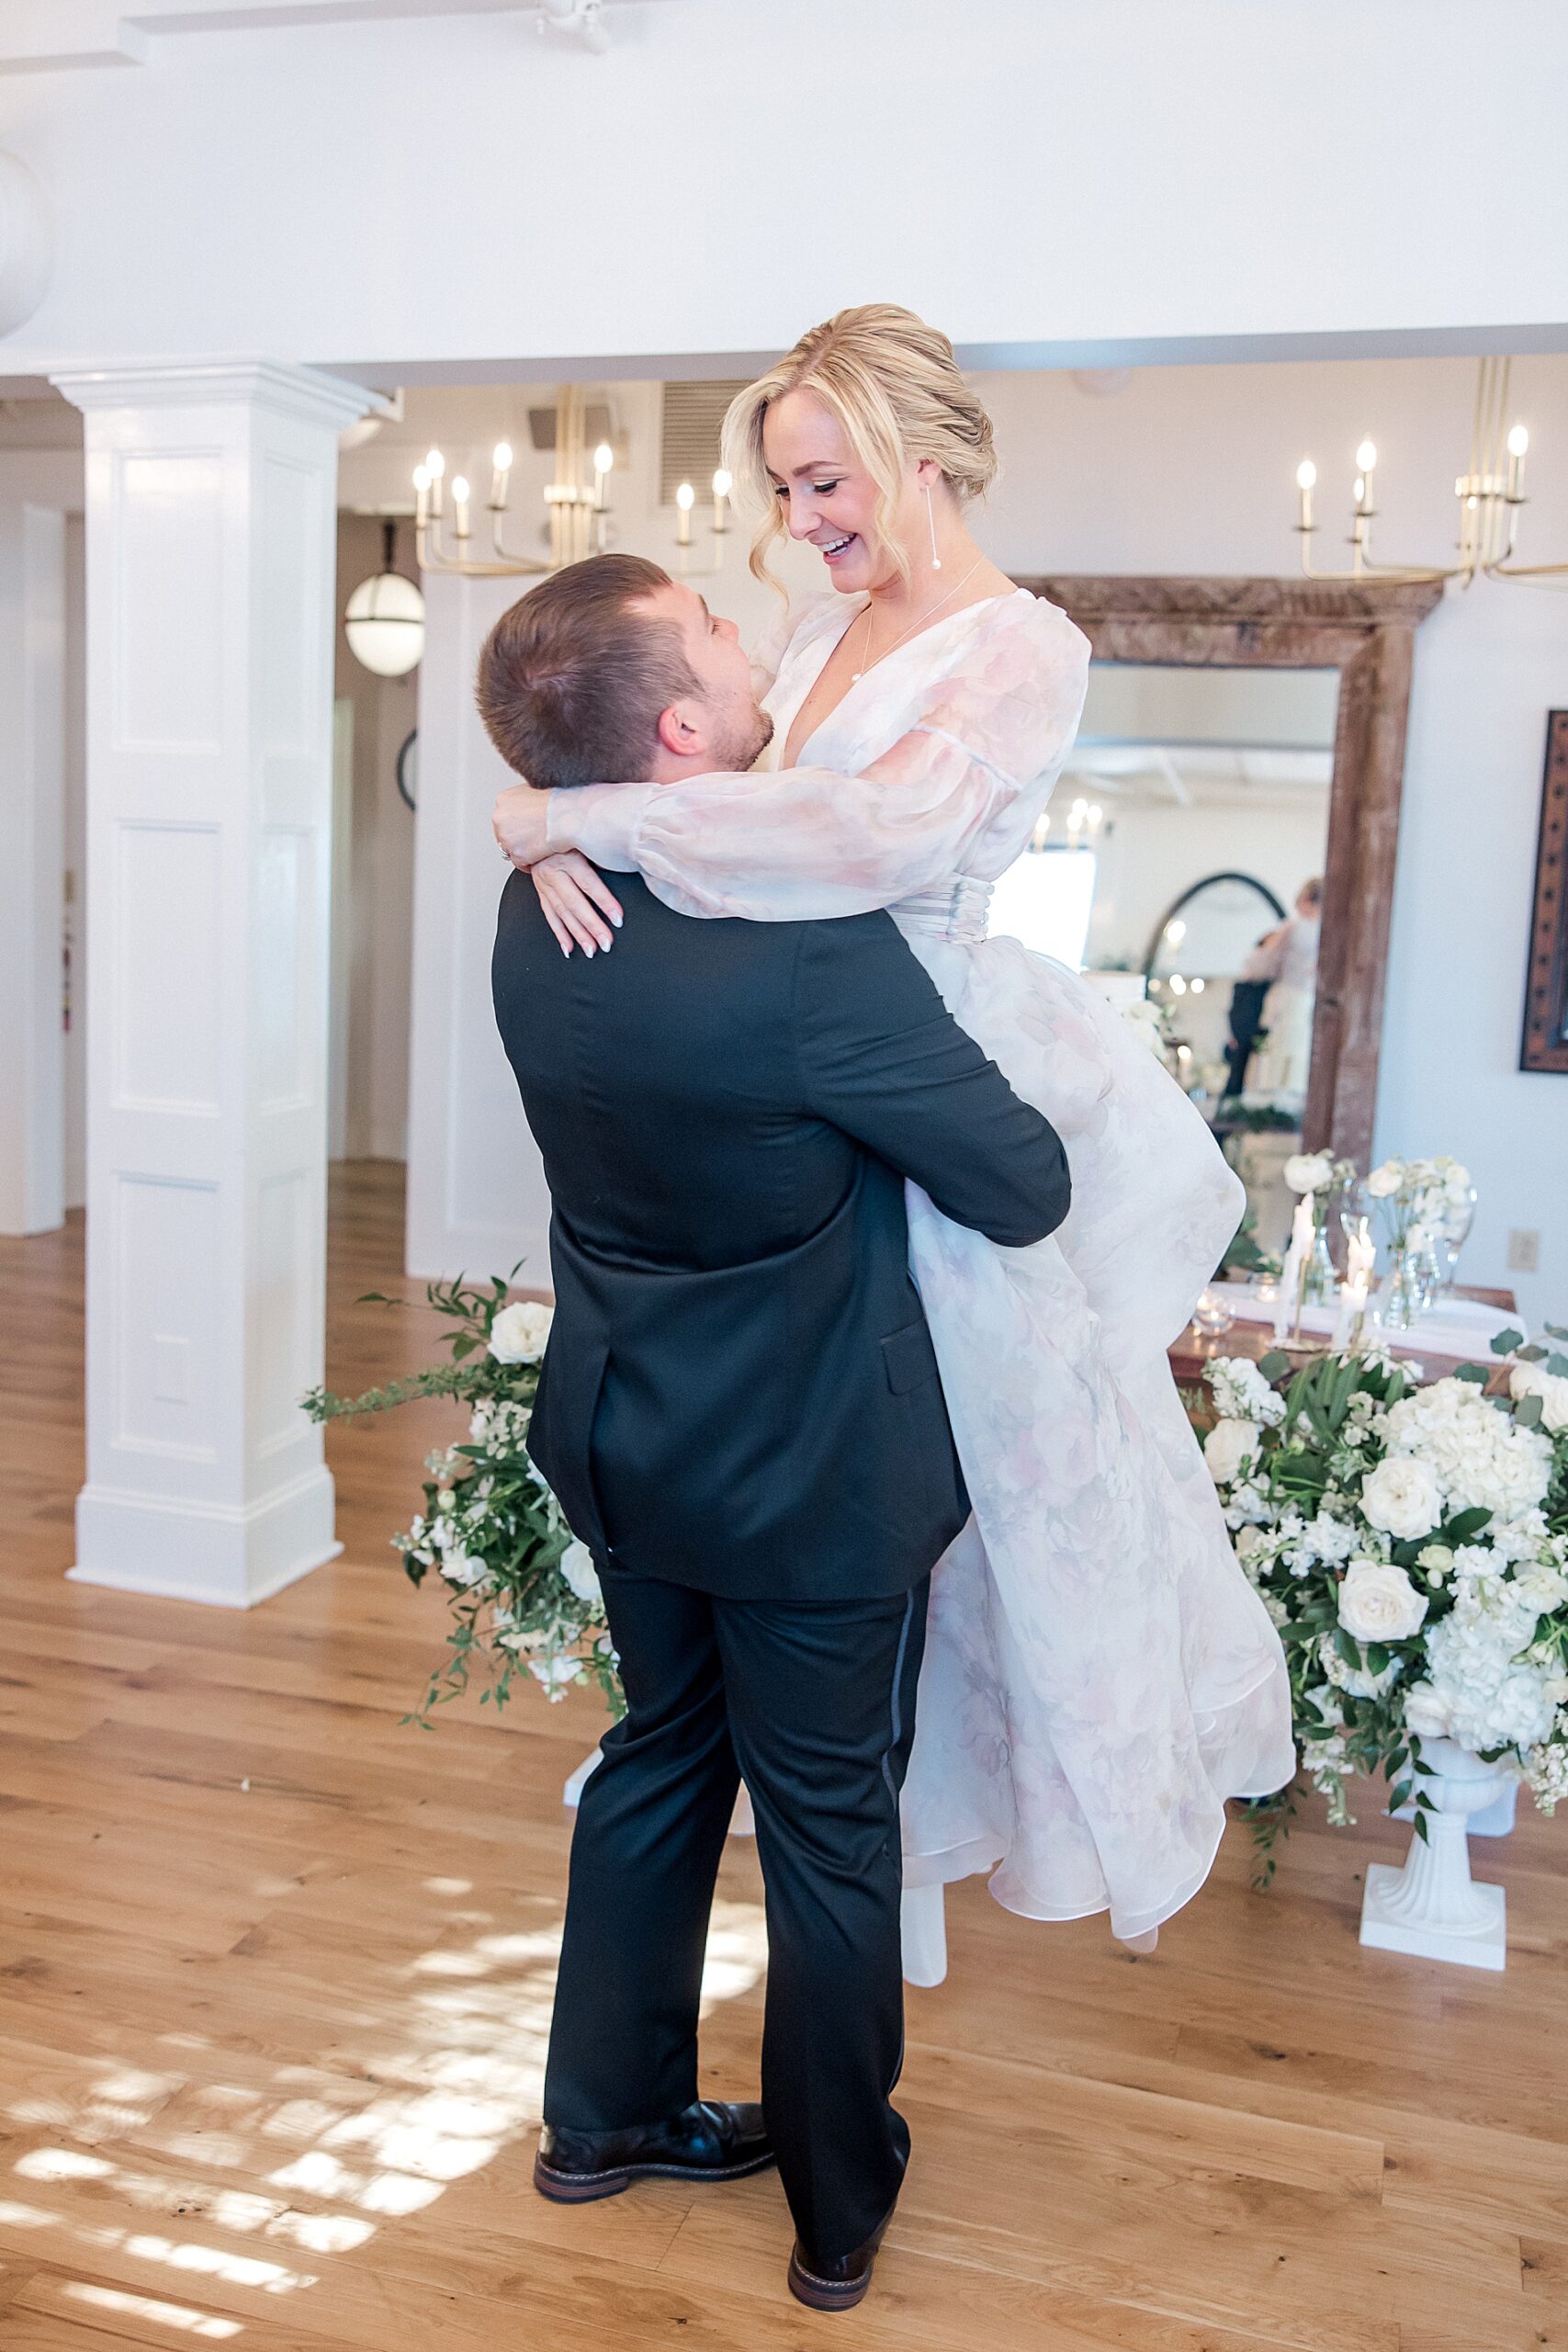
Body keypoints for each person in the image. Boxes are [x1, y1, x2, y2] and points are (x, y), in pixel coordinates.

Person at [493, 304, 1295, 1952]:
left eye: (818, 482)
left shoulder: (1024, 647)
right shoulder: (802, 634)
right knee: (833, 1494)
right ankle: (836, 1926)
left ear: (910, 455)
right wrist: (549, 826)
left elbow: (861, 834)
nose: (799, 525)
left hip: (918, 1048)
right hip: (798, 1065)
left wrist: (571, 812)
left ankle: (879, 1901)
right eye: (782, 494)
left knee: (981, 1495)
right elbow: (719, 810)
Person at [483, 552, 1072, 2312]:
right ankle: (833, 2205)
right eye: (723, 636)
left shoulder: (543, 894)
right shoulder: (810, 950)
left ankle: (602, 2121)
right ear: (682, 724)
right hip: (812, 1476)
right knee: (827, 1823)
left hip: (621, 1436)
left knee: (662, 1755)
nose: (760, 644)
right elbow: (1024, 1188)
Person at [1244, 876, 1324, 1103]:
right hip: (1311, 1002)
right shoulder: (1331, 933)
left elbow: (1262, 966)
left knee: (1276, 1056)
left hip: (1287, 999)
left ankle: (1272, 1104)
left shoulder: (1293, 928)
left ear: (1306, 900)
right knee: (1299, 1056)